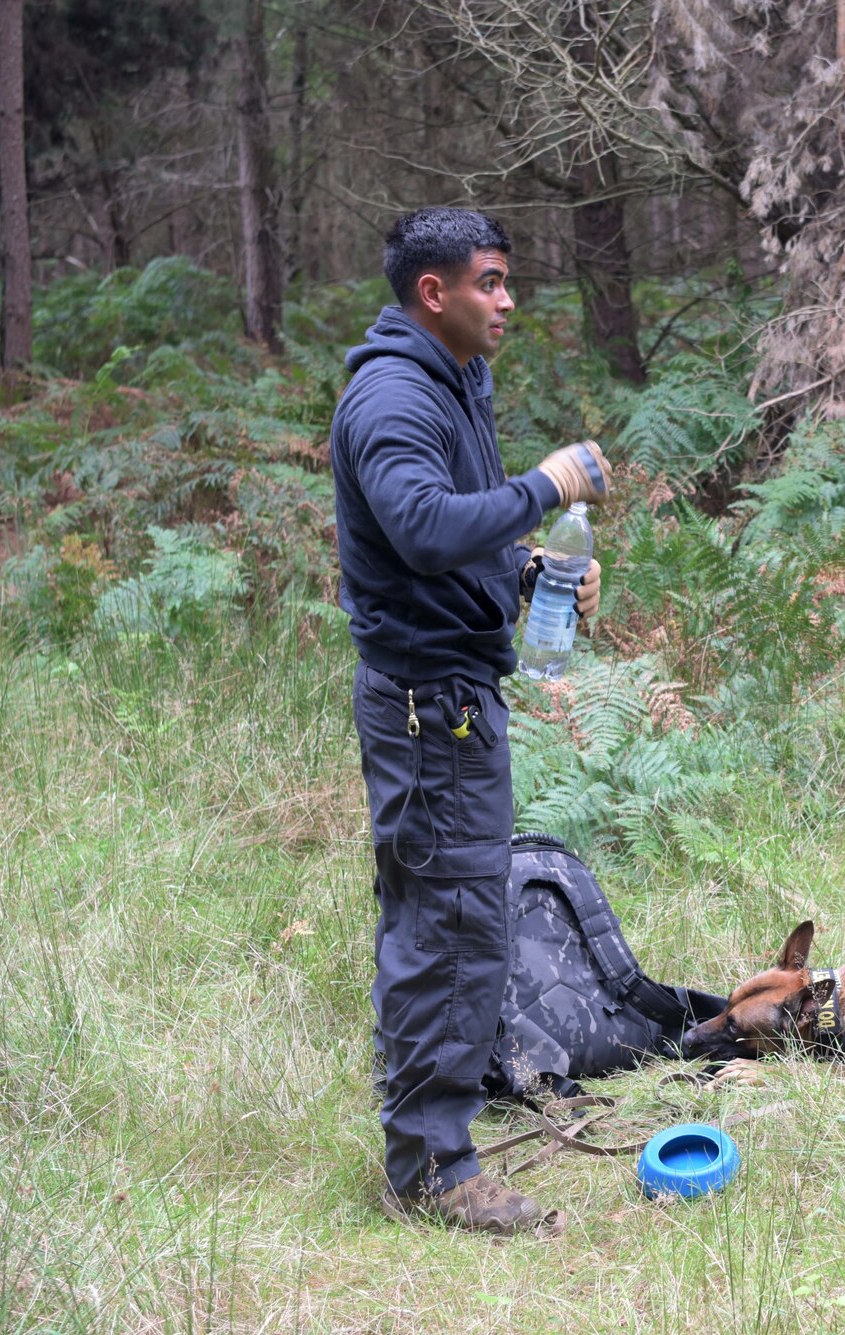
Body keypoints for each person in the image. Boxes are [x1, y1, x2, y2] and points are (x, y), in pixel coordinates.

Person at [329, 206, 610, 1236]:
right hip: (425, 709)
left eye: (507, 280)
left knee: (449, 922)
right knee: (446, 929)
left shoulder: (453, 380)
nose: (506, 301)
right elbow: (420, 525)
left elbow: (456, 531)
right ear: (432, 293)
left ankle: (432, 1131)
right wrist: (545, 487)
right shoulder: (393, 395)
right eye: (488, 283)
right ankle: (434, 1167)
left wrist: (529, 569)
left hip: (450, 696)